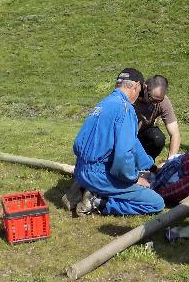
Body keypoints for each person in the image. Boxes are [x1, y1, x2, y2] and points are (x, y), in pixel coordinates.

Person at [71, 67, 166, 216]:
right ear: (136, 86)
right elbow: (123, 156)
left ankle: (85, 189)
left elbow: (133, 142)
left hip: (80, 170)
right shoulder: (125, 109)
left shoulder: (104, 104)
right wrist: (134, 179)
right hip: (99, 176)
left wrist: (151, 166)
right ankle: (98, 202)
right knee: (156, 202)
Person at [133, 74, 181, 161]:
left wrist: (170, 161)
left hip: (142, 135)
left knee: (157, 138)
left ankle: (147, 165)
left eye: (158, 100)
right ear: (145, 88)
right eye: (152, 99)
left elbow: (175, 134)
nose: (154, 103)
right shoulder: (132, 97)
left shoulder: (163, 102)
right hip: (125, 135)